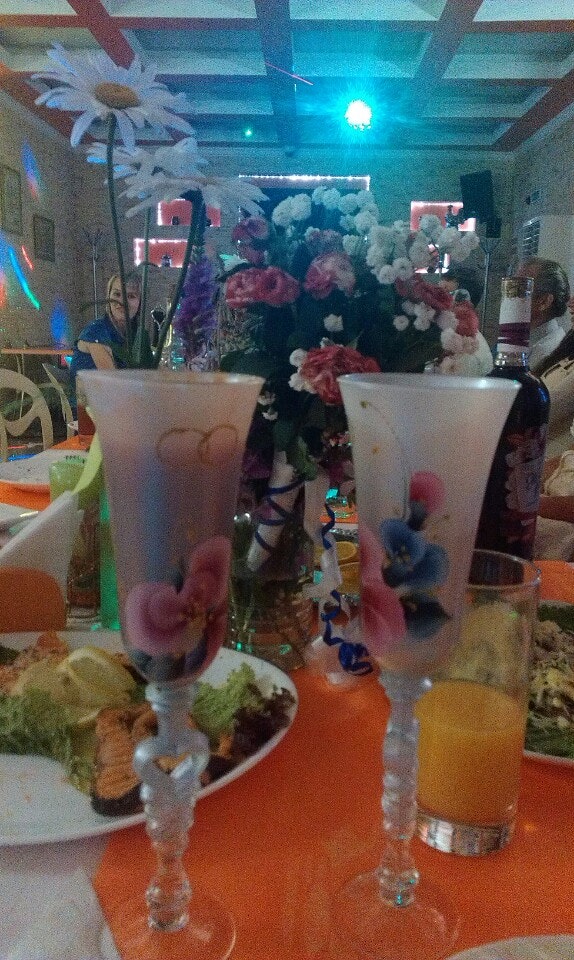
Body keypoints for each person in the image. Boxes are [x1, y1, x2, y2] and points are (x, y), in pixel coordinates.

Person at [69, 272, 141, 386]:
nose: (122, 302)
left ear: (140, 302)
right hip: (90, 397)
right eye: (117, 294)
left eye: (131, 296)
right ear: (108, 297)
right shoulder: (96, 331)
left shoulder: (134, 335)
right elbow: (114, 383)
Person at [515, 258, 571, 374]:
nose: (508, 296)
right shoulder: (519, 338)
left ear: (543, 301)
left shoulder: (548, 352)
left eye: (519, 288)